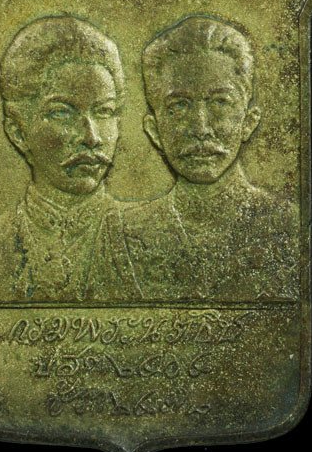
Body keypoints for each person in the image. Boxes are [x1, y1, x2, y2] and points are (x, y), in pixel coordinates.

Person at [112, 16, 300, 301]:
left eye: (220, 102)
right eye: (179, 105)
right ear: (154, 129)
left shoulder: (289, 227)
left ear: (249, 122)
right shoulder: (121, 233)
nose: (200, 128)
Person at [0, 15, 141, 302]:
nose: (91, 137)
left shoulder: (151, 240)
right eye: (62, 113)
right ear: (18, 132)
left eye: (104, 111)